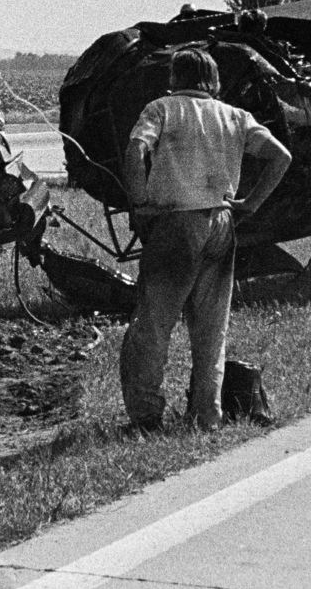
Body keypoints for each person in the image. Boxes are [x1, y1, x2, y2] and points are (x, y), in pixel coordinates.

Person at [120, 48, 292, 432]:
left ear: (174, 78)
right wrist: (250, 204)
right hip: (222, 222)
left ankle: (147, 417)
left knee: (153, 325)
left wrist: (139, 200)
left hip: (176, 224)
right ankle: (206, 416)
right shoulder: (235, 116)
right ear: (213, 82)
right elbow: (281, 157)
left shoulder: (162, 109)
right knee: (212, 329)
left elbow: (136, 150)